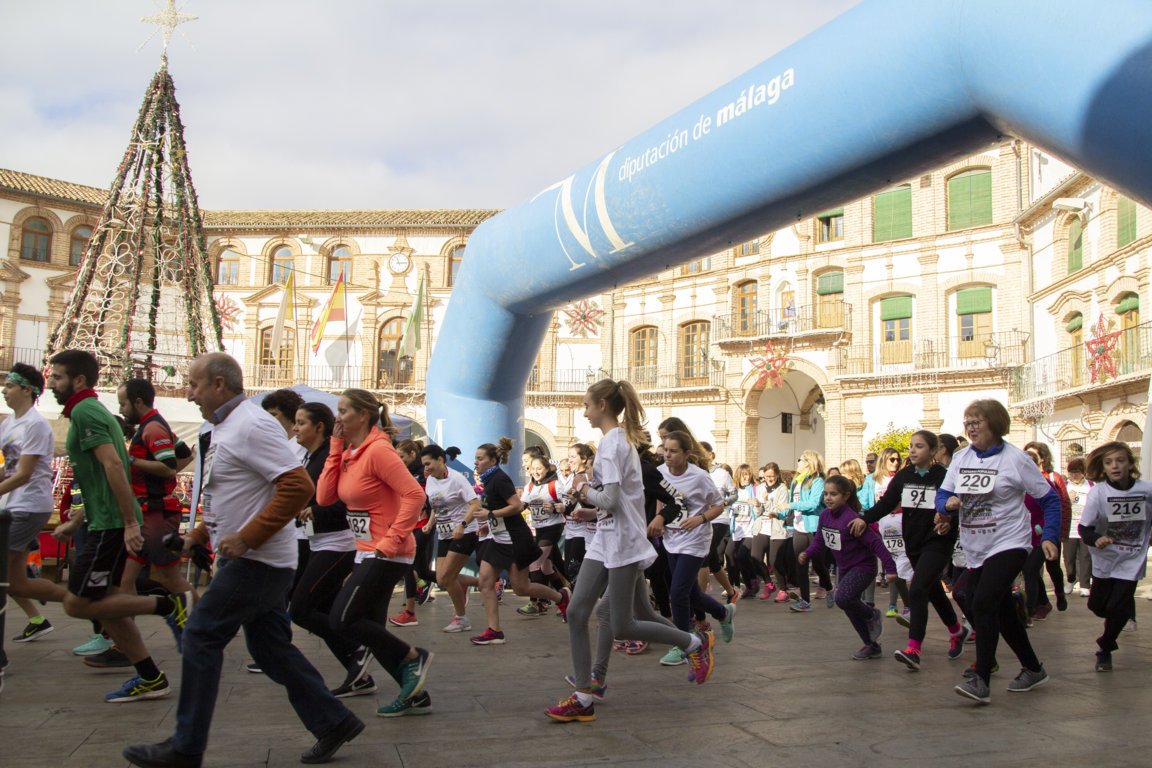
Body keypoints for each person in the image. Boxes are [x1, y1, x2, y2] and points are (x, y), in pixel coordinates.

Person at [123, 354, 363, 767]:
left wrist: (247, 538)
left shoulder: (251, 424)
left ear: (219, 384)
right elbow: (235, 495)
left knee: (200, 634)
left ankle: (186, 747)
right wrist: (199, 536)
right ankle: (334, 721)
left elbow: (297, 487)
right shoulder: (227, 427)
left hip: (259, 561)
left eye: (194, 385)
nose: (189, 394)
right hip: (256, 560)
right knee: (270, 649)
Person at [546, 382, 716, 723]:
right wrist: (592, 509)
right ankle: (584, 696)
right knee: (578, 612)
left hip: (622, 540)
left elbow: (610, 499)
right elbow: (618, 502)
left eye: (587, 405)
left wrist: (583, 490)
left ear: (603, 404)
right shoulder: (616, 441)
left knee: (623, 625)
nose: (584, 412)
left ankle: (694, 644)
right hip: (606, 536)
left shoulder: (613, 443)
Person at [48, 350, 190, 706]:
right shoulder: (90, 411)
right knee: (108, 605)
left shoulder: (87, 412)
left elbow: (114, 466)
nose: (51, 382)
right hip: (104, 521)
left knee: (77, 604)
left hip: (110, 526)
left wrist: (128, 523)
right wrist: (77, 520)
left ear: (79, 380)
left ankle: (169, 605)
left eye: (57, 377)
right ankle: (150, 677)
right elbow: (100, 476)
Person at [316, 389, 433, 718]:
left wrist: (392, 539)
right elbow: (324, 498)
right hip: (365, 550)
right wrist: (335, 448)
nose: (337, 417)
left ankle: (414, 657)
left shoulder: (379, 451)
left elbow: (414, 495)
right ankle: (415, 696)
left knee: (342, 619)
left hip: (387, 552)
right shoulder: (351, 453)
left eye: (343, 410)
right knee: (372, 630)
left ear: (363, 415)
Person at [937, 399, 1061, 705]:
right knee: (998, 608)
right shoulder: (961, 458)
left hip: (1010, 542)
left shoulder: (1016, 459)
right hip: (975, 546)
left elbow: (1050, 499)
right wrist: (947, 506)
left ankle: (982, 678)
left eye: (977, 422)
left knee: (982, 601)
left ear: (995, 424)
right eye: (967, 423)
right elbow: (943, 495)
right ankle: (1032, 668)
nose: (970, 428)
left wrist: (1051, 537)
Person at [851, 430, 967, 670]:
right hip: (913, 542)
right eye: (912, 446)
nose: (913, 450)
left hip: (938, 541)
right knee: (933, 591)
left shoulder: (944, 476)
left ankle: (913, 649)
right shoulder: (904, 476)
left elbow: (957, 506)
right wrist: (864, 519)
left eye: (920, 446)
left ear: (933, 451)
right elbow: (886, 503)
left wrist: (950, 521)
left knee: (918, 588)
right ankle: (957, 631)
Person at [286, 402, 369, 699]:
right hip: (315, 541)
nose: (294, 428)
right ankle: (359, 673)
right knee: (325, 611)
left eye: (300, 423)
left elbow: (349, 499)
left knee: (300, 610)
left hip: (339, 544)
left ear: (318, 427)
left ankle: (359, 648)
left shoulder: (334, 457)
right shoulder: (312, 457)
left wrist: (317, 512)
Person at [116, 379, 199, 645]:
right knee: (126, 580)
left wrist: (131, 460)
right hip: (148, 511)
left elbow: (168, 467)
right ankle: (124, 642)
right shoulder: (153, 426)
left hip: (157, 513)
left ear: (138, 402)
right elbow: (185, 454)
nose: (121, 409)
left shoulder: (152, 428)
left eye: (123, 403)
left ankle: (206, 626)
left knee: (168, 577)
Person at [468, 438, 570, 645]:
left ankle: (562, 598)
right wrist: (490, 524)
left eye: (480, 458)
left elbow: (516, 506)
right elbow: (496, 509)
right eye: (475, 458)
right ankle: (494, 630)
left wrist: (491, 515)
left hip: (515, 540)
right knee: (485, 583)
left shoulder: (500, 479)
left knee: (521, 588)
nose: (476, 462)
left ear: (493, 461)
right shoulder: (489, 480)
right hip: (498, 539)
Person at [648, 430, 733, 669]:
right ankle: (723, 613)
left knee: (677, 592)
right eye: (665, 450)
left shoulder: (699, 477)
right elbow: (660, 498)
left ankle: (683, 644)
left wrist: (700, 519)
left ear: (687, 454)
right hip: (672, 539)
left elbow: (718, 505)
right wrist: (659, 519)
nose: (667, 455)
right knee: (690, 593)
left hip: (695, 540)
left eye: (673, 451)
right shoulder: (660, 472)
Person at [2, 363, 68, 642]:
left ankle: (88, 604)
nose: (4, 390)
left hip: (28, 506)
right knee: (14, 580)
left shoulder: (36, 425)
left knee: (2, 571)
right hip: (13, 506)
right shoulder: (8, 423)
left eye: (10, 386)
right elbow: (8, 469)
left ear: (27, 390)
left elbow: (24, 474)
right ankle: (44, 617)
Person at [799, 475, 897, 660]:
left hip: (863, 567)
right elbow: (820, 541)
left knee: (843, 598)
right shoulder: (825, 515)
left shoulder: (852, 519)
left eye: (834, 494)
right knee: (848, 606)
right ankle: (871, 645)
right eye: (826, 494)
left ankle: (872, 614)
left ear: (846, 496)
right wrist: (807, 553)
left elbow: (876, 544)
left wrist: (890, 568)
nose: (828, 498)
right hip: (844, 568)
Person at [1078, 441, 1151, 671]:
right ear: (1103, 467)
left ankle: (1105, 647)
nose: (1115, 466)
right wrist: (1096, 539)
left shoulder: (1146, 490)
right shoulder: (1099, 492)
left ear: (1130, 463)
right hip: (1105, 559)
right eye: (1109, 462)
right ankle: (1121, 612)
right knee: (1098, 606)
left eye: (1120, 461)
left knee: (1118, 607)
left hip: (1132, 557)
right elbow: (1084, 528)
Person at [421, 444, 480, 633]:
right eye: (424, 465)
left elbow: (475, 504)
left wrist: (462, 525)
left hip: (465, 532)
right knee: (442, 579)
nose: (426, 468)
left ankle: (461, 619)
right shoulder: (430, 480)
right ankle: (485, 583)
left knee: (448, 577)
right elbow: (436, 505)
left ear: (440, 460)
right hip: (445, 534)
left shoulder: (457, 479)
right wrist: (430, 523)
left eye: (428, 464)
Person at [1024, 441, 1072, 614]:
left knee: (1052, 567)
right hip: (1026, 536)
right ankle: (1034, 607)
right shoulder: (1016, 486)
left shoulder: (1046, 483)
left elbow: (1059, 506)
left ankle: (1059, 593)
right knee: (1030, 570)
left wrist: (1059, 531)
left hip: (1046, 534)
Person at [518, 455, 568, 616]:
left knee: (534, 564)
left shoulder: (555, 485)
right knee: (546, 568)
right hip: (539, 528)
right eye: (533, 469)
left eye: (539, 468)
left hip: (553, 527)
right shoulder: (530, 486)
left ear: (546, 469)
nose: (535, 472)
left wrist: (555, 507)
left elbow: (568, 503)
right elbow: (522, 505)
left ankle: (536, 603)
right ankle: (565, 595)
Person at [788, 450, 830, 612]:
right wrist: (780, 513)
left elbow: (813, 503)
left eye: (800, 459)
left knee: (819, 564)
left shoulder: (817, 480)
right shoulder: (796, 480)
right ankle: (805, 601)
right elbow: (792, 503)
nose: (798, 462)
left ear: (808, 463)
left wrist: (790, 505)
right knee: (800, 562)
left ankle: (828, 587)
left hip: (813, 526)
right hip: (798, 527)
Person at [1063, 457, 1093, 597]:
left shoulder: (1090, 486)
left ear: (1083, 473)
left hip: (1085, 527)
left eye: (1077, 472)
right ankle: (1071, 578)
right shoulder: (1065, 486)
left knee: (1085, 557)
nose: (1074, 475)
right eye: (1072, 472)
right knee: (1069, 557)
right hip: (1070, 529)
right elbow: (1059, 504)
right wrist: (1067, 499)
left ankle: (1085, 585)